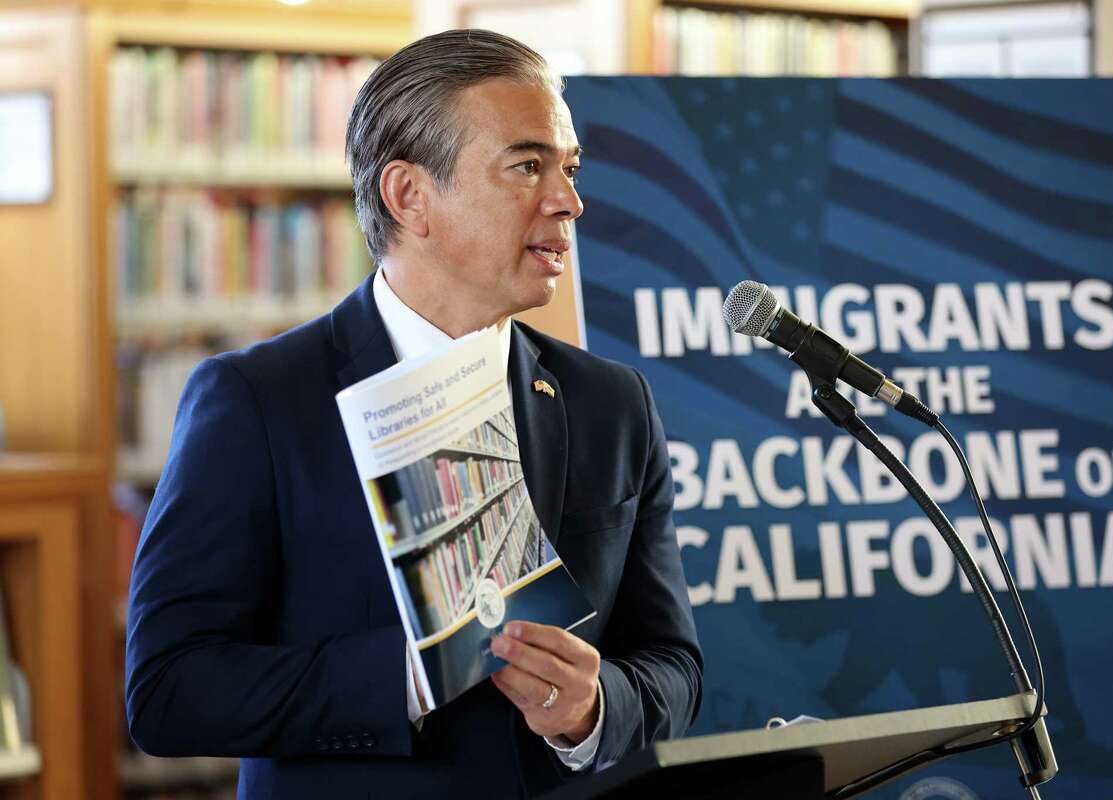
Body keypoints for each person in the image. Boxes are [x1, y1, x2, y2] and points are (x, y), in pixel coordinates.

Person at [125, 29, 703, 799]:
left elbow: (675, 665)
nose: (569, 200)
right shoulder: (257, 401)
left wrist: (594, 708)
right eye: (527, 166)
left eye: (568, 168)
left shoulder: (611, 401)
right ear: (409, 196)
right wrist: (407, 678)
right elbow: (169, 690)